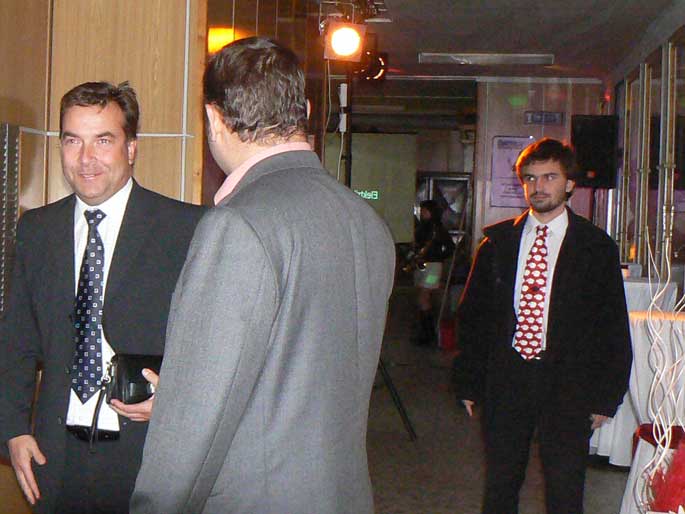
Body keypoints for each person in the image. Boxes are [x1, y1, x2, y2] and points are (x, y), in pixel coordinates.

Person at [130, 37, 395, 514]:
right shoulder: (367, 221)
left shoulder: (238, 225)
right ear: (305, 111)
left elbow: (196, 425)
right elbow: (302, 375)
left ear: (214, 119)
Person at [0, 81, 205, 514]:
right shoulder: (37, 230)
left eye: (103, 141)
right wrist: (14, 430)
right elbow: (17, 340)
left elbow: (217, 344)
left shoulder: (187, 229)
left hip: (147, 457)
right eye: (73, 140)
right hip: (55, 458)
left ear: (131, 148)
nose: (86, 158)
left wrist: (177, 398)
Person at [453, 138, 632, 514]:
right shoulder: (498, 244)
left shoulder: (595, 248)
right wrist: (468, 380)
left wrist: (607, 395)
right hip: (508, 377)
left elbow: (611, 326)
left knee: (565, 487)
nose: (538, 186)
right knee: (501, 483)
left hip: (568, 382)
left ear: (569, 184)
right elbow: (474, 317)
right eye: (530, 178)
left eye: (550, 177)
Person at [410, 199, 454, 345]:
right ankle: (425, 331)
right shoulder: (422, 228)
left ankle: (428, 334)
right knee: (422, 297)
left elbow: (450, 248)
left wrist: (437, 257)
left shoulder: (438, 229)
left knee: (424, 296)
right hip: (422, 265)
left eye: (425, 210)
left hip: (433, 267)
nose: (422, 213)